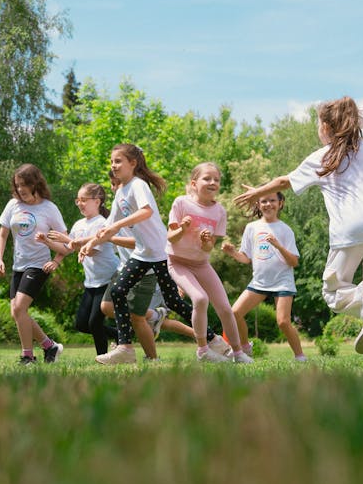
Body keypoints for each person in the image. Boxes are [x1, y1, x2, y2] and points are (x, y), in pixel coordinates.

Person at [235, 96, 363, 368]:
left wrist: (257, 191)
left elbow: (284, 181)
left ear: (326, 127)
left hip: (351, 231)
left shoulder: (322, 157)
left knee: (333, 291)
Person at [82, 144, 227, 365]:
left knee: (174, 302)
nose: (114, 165)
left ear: (133, 163)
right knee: (119, 291)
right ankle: (125, 348)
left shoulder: (138, 186)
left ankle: (213, 338)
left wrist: (115, 227)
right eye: (112, 161)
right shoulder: (121, 191)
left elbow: (146, 211)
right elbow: (109, 225)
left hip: (159, 252)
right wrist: (92, 241)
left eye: (118, 161)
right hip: (142, 254)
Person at [166, 162, 250, 363]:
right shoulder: (181, 203)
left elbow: (208, 248)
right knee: (200, 299)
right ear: (194, 183)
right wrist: (182, 229)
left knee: (225, 308)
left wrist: (206, 241)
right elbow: (171, 237)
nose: (213, 182)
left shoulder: (219, 211)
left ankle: (238, 353)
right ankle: (203, 351)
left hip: (201, 263)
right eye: (207, 178)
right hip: (177, 262)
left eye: (216, 180)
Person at [0, 164, 67, 365]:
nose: (20, 189)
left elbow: (66, 241)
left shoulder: (49, 208)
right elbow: (2, 235)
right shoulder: (12, 205)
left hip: (39, 264)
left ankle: (28, 356)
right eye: (17, 185)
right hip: (19, 265)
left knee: (19, 309)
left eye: (24, 184)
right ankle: (49, 346)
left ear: (36, 183)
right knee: (17, 312)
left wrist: (56, 261)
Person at [221, 191, 307, 362]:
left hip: (282, 282)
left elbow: (293, 262)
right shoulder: (251, 227)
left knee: (283, 322)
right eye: (264, 201)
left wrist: (278, 245)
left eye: (272, 200)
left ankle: (300, 357)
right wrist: (232, 253)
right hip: (259, 282)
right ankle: (245, 348)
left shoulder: (285, 230)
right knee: (234, 313)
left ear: (280, 203)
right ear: (258, 205)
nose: (268, 204)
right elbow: (246, 259)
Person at [45, 183, 118, 356]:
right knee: (81, 324)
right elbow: (67, 248)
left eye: (84, 200)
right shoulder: (79, 224)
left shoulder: (102, 223)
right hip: (91, 281)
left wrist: (67, 240)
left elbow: (91, 250)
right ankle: (119, 334)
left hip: (108, 278)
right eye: (78, 200)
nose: (80, 204)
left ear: (97, 201)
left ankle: (102, 357)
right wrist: (46, 242)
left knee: (94, 323)